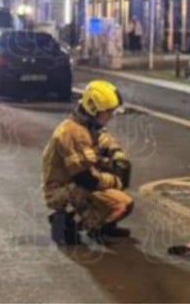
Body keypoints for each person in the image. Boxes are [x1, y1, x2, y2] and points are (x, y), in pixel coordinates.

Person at [42, 79, 134, 245]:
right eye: (108, 112)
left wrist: (118, 155)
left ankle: (103, 226)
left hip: (74, 182)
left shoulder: (86, 125)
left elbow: (104, 139)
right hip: (62, 189)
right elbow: (86, 178)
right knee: (121, 203)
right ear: (94, 110)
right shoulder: (72, 132)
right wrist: (116, 179)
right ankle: (65, 223)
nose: (111, 116)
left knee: (120, 180)